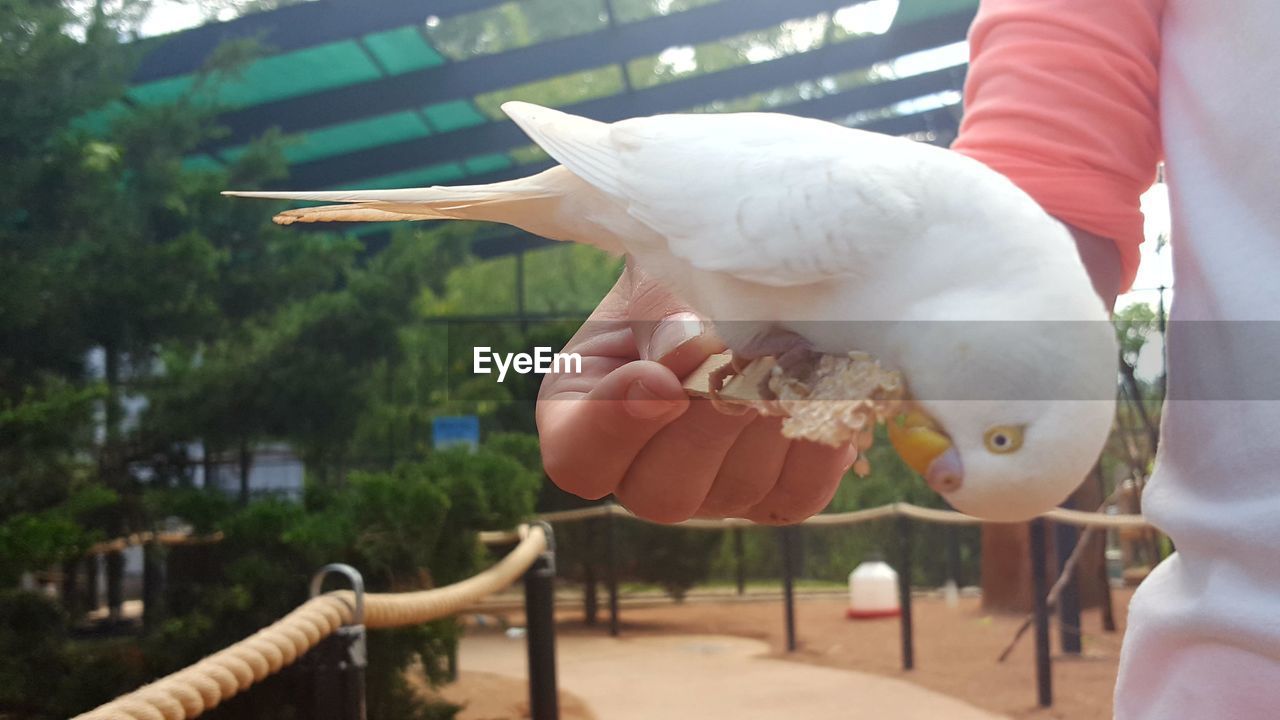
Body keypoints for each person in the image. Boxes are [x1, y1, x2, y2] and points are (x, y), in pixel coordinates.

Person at [536, 0, 1280, 716]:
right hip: (1220, 663)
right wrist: (716, 261)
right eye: (993, 441)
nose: (924, 448)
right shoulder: (932, 246)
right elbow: (1040, 193)